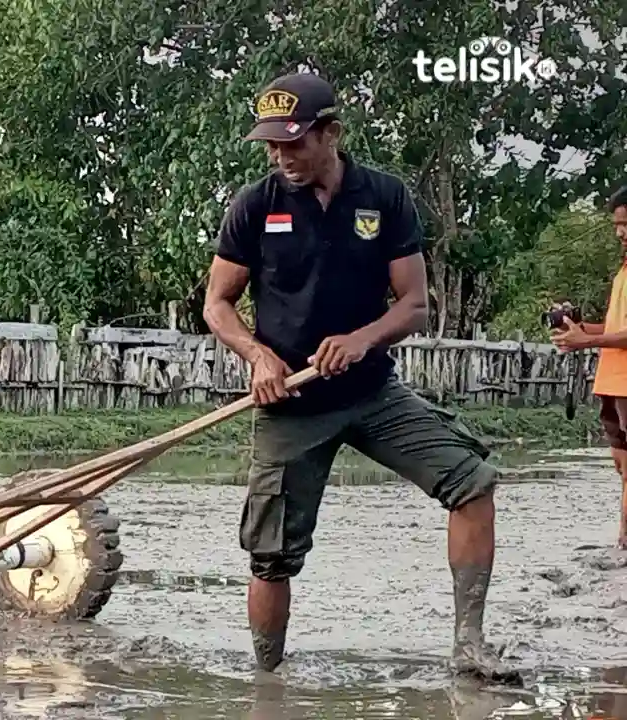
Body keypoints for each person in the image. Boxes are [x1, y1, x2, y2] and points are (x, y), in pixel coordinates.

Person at [202, 72, 515, 682]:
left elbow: (414, 305)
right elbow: (217, 303)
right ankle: (268, 681)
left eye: (293, 143)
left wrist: (362, 339)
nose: (281, 157)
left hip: (372, 392)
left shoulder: (384, 197)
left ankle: (469, 647)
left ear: (332, 134)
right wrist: (257, 356)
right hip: (291, 406)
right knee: (270, 558)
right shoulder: (255, 204)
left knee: (473, 483)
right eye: (271, 145)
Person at [550, 184, 627, 548]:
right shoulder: (624, 271)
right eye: (616, 225)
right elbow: (616, 329)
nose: (620, 233)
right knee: (621, 466)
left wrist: (587, 341)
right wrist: (580, 329)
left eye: (625, 224)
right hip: (613, 381)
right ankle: (622, 543)